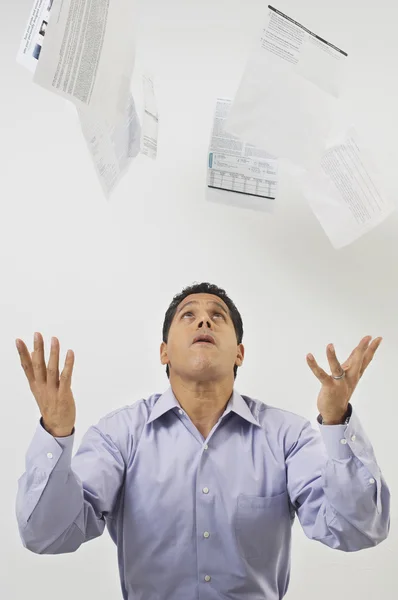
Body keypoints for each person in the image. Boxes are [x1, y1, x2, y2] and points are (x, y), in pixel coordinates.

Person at [15, 282, 390, 600]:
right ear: (164, 351)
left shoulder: (286, 436)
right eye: (188, 315)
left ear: (240, 353)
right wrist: (56, 432)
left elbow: (356, 530)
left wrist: (338, 422)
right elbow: (48, 535)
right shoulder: (120, 435)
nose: (204, 320)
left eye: (218, 316)